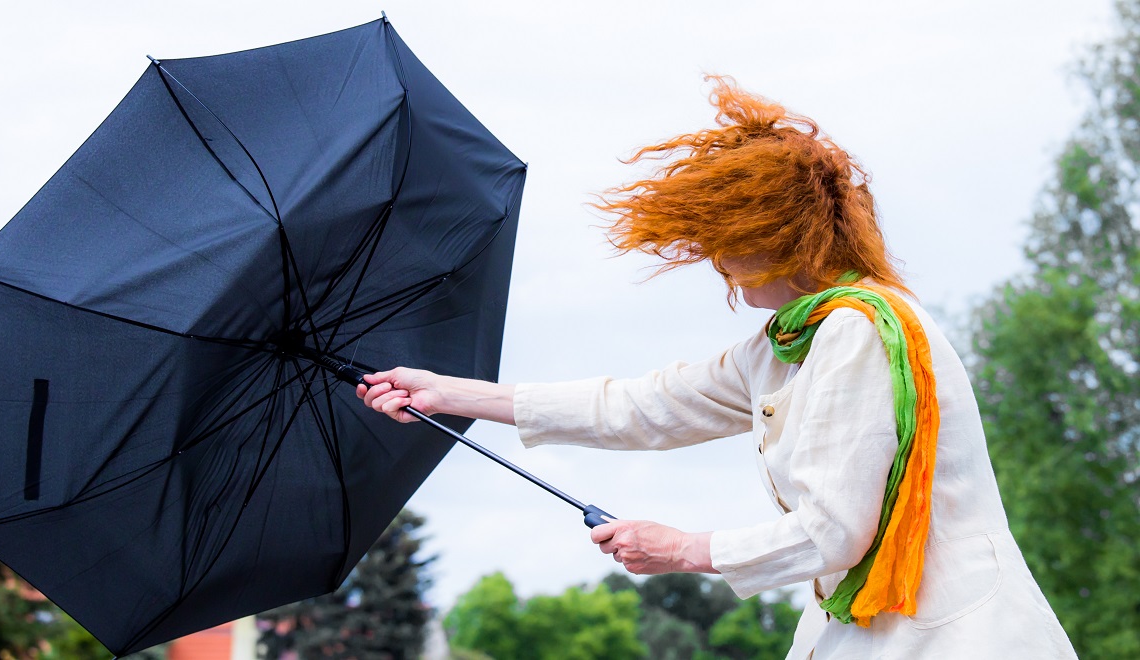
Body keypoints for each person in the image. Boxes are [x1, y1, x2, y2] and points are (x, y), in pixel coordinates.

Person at [356, 78, 1076, 658]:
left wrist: (683, 549)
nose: (717, 262)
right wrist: (450, 392)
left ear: (778, 233)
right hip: (876, 630)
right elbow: (640, 407)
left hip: (955, 635)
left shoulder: (856, 332)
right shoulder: (792, 340)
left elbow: (834, 532)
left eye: (727, 239)